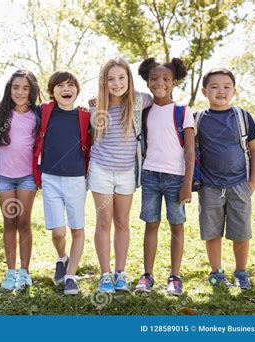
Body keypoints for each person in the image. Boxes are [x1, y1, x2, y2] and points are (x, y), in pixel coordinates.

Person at [88, 57, 152, 293]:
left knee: (122, 222)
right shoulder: (96, 106)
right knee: (103, 222)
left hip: (127, 172)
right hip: (101, 170)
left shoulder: (140, 101)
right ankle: (105, 275)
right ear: (104, 82)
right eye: (111, 79)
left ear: (129, 79)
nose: (116, 83)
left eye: (121, 77)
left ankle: (120, 273)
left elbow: (160, 98)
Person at [135, 57, 195, 296]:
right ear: (148, 82)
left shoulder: (182, 112)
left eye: (166, 79)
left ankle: (175, 277)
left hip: (176, 178)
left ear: (174, 82)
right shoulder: (145, 111)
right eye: (155, 79)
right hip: (150, 175)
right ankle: (147, 275)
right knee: (151, 224)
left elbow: (190, 150)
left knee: (176, 226)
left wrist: (187, 184)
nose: (160, 82)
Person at [197, 68, 255, 289]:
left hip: (239, 185)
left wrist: (252, 183)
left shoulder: (243, 117)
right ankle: (216, 272)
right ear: (205, 91)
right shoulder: (198, 119)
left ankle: (241, 272)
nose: (221, 91)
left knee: (241, 232)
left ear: (234, 91)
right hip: (210, 186)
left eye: (226, 86)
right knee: (212, 231)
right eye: (214, 87)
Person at [33, 71, 91, 295]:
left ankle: (71, 276)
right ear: (51, 91)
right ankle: (62, 258)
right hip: (50, 177)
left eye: (70, 85)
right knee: (58, 232)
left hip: (76, 178)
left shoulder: (85, 115)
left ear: (77, 90)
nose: (66, 89)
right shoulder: (44, 111)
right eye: (60, 86)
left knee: (77, 228)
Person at [0, 70, 40, 291]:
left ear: (32, 91)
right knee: (9, 222)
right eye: (16, 87)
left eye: (25, 88)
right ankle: (10, 272)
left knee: (23, 222)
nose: (20, 92)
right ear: (9, 89)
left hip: (27, 178)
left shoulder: (37, 115)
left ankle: (24, 272)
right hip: (3, 177)